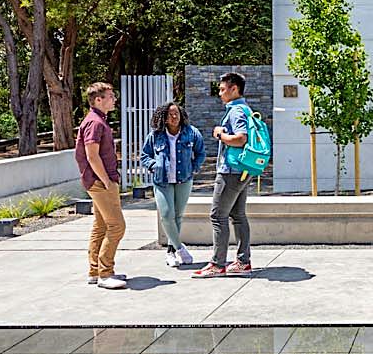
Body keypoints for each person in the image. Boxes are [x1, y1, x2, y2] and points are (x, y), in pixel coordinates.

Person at [194, 72, 254, 279]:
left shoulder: (237, 111)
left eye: (222, 89)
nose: (220, 93)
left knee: (217, 216)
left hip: (231, 170)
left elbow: (240, 139)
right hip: (243, 169)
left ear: (234, 89)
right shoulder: (245, 109)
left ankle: (218, 264)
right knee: (238, 215)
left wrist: (220, 134)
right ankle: (243, 262)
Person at [140, 101, 206, 267]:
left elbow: (201, 152)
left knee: (177, 216)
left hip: (184, 179)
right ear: (164, 117)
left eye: (176, 113)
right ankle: (180, 248)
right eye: (170, 114)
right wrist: (154, 166)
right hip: (162, 181)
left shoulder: (191, 133)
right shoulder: (156, 135)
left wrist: (193, 168)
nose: (174, 116)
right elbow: (144, 155)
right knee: (167, 215)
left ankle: (170, 252)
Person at [75, 81, 127, 289]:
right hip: (100, 182)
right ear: (98, 100)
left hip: (98, 180)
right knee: (117, 227)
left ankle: (95, 270)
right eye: (111, 96)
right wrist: (106, 180)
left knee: (101, 226)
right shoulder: (95, 122)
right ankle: (106, 273)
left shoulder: (97, 120)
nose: (114, 99)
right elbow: (92, 155)